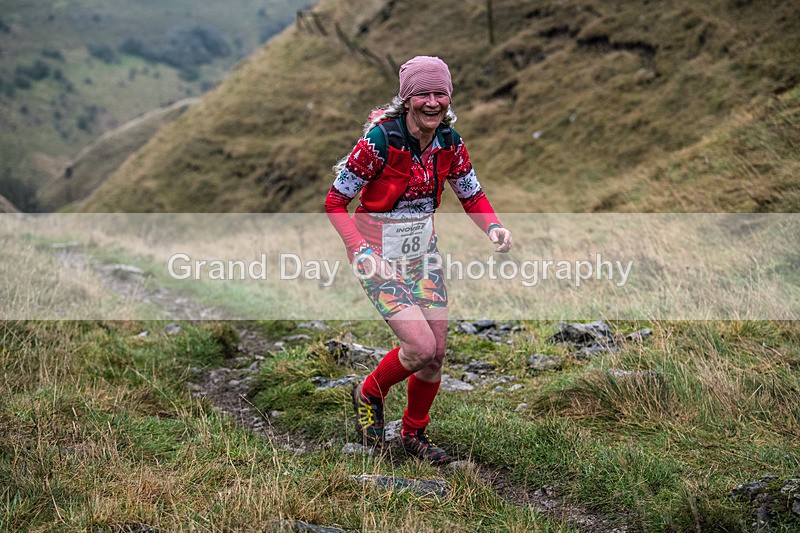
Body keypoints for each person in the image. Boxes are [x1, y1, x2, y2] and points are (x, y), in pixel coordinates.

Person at [325, 55, 512, 465]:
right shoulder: (380, 142)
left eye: (440, 93)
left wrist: (494, 227)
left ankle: (413, 433)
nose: (433, 102)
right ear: (407, 99)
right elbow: (335, 202)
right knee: (419, 347)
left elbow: (472, 195)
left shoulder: (450, 142)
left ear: (449, 97)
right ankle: (370, 391)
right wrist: (361, 251)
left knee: (437, 353)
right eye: (423, 94)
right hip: (377, 258)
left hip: (422, 256)